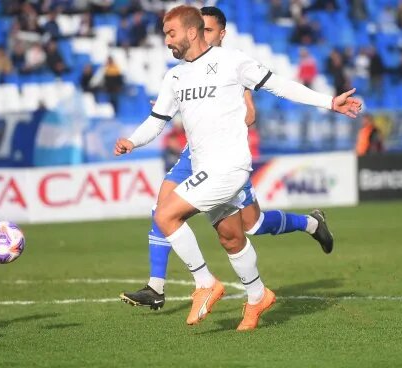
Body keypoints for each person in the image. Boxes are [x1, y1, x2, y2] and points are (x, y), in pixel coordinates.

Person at [114, 5, 361, 330]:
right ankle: (258, 297)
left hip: (227, 167)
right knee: (232, 236)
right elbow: (157, 120)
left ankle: (204, 283)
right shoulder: (174, 77)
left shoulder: (231, 62)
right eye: (164, 35)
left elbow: (280, 85)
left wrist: (328, 102)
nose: (167, 41)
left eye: (171, 34)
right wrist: (133, 140)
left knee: (165, 214)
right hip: (205, 166)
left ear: (191, 32)